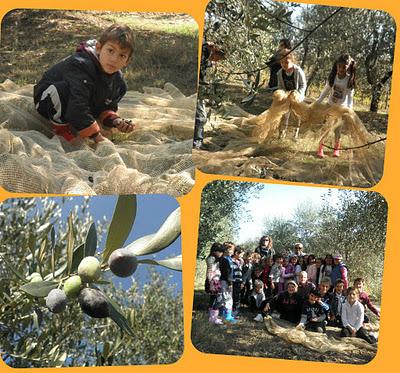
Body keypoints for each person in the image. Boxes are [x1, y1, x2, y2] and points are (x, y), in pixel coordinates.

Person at [34, 24, 135, 144]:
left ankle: (81, 124)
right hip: (47, 99)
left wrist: (116, 121)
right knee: (62, 90)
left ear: (127, 61)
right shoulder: (80, 64)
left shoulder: (119, 82)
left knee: (105, 93)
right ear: (98, 48)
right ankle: (61, 127)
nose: (114, 59)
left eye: (122, 55)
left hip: (77, 103)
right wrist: (97, 136)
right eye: (110, 50)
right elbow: (78, 103)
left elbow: (107, 106)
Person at [315, 54, 356, 157]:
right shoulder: (333, 77)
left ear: (348, 68)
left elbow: (350, 97)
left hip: (341, 109)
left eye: (344, 67)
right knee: (325, 127)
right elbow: (325, 91)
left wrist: (349, 109)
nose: (341, 69)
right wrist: (318, 101)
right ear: (336, 66)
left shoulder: (349, 80)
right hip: (329, 106)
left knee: (338, 130)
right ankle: (320, 148)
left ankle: (336, 149)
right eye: (339, 66)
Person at [193, 41, 225, 149]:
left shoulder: (206, 58)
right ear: (215, 51)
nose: (217, 61)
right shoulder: (203, 53)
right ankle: (197, 143)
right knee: (201, 116)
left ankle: (198, 141)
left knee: (200, 115)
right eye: (218, 58)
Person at [276, 49, 307, 139]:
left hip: (296, 97)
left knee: (297, 116)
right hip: (286, 97)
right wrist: (282, 94)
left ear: (292, 60)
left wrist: (299, 95)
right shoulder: (280, 73)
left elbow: (303, 84)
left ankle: (295, 134)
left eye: (286, 62)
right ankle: (282, 133)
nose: (284, 65)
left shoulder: (298, 71)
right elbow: (280, 86)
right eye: (282, 62)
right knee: (284, 115)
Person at [205, 242, 225, 324]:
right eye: (220, 252)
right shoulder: (211, 259)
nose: (221, 253)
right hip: (213, 281)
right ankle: (214, 318)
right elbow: (209, 270)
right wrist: (210, 282)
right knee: (219, 299)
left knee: (213, 299)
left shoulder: (213, 258)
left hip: (214, 280)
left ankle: (211, 317)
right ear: (214, 251)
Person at [219, 242, 236, 323]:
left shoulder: (229, 259)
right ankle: (227, 316)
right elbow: (226, 273)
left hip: (228, 281)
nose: (232, 251)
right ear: (225, 250)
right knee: (227, 298)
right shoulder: (224, 260)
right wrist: (230, 283)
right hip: (225, 281)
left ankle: (224, 314)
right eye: (231, 250)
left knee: (226, 297)